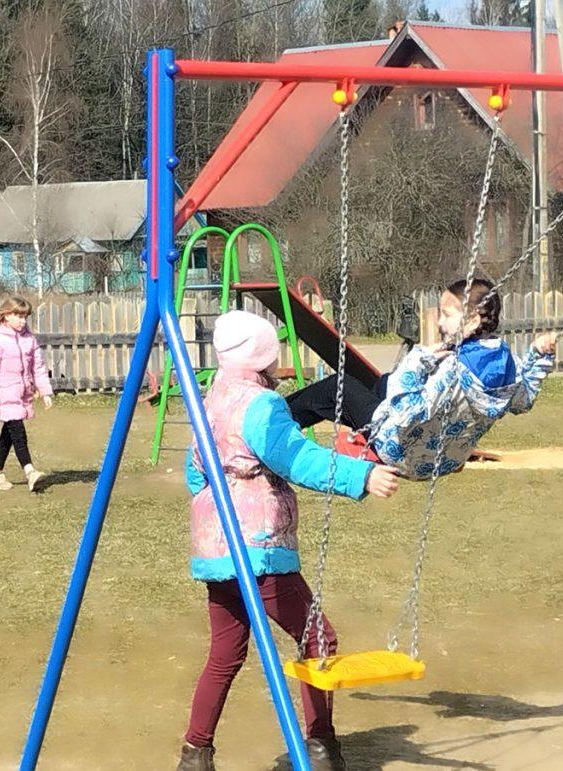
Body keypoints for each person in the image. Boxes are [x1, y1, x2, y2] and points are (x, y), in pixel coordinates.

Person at [178, 311, 399, 771]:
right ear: (263, 357)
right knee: (318, 638)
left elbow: (195, 472)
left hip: (218, 549)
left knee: (225, 653)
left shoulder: (209, 400)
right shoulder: (262, 406)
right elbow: (296, 458)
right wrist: (361, 476)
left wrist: (216, 510)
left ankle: (195, 754)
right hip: (258, 549)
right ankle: (320, 747)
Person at [284, 278, 557, 479]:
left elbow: (405, 414)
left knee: (337, 387)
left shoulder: (452, 369)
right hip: (444, 459)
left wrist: (416, 362)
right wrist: (538, 355)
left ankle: (272, 421)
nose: (439, 323)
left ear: (473, 320)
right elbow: (523, 400)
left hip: (400, 451)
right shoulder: (505, 361)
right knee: (381, 384)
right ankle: (282, 413)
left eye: (446, 315)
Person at [0, 297, 53, 492]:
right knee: (18, 431)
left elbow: (38, 367)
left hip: (23, 394)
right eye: (18, 316)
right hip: (4, 394)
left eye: (25, 316)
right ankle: (30, 471)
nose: (23, 320)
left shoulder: (29, 339)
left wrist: (45, 391)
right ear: (6, 315)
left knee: (9, 433)